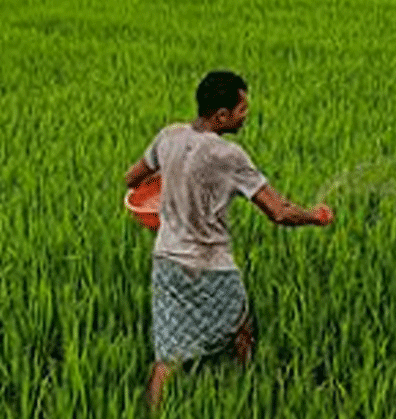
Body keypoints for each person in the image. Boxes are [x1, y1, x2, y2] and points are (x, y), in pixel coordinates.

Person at [123, 70, 334, 411]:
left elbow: (132, 178)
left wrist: (176, 177)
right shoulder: (229, 156)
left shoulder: (168, 136)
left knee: (167, 354)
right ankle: (246, 386)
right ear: (221, 116)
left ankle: (151, 412)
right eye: (241, 110)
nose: (246, 115)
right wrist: (316, 216)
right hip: (210, 265)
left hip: (166, 260)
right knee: (240, 325)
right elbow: (278, 212)